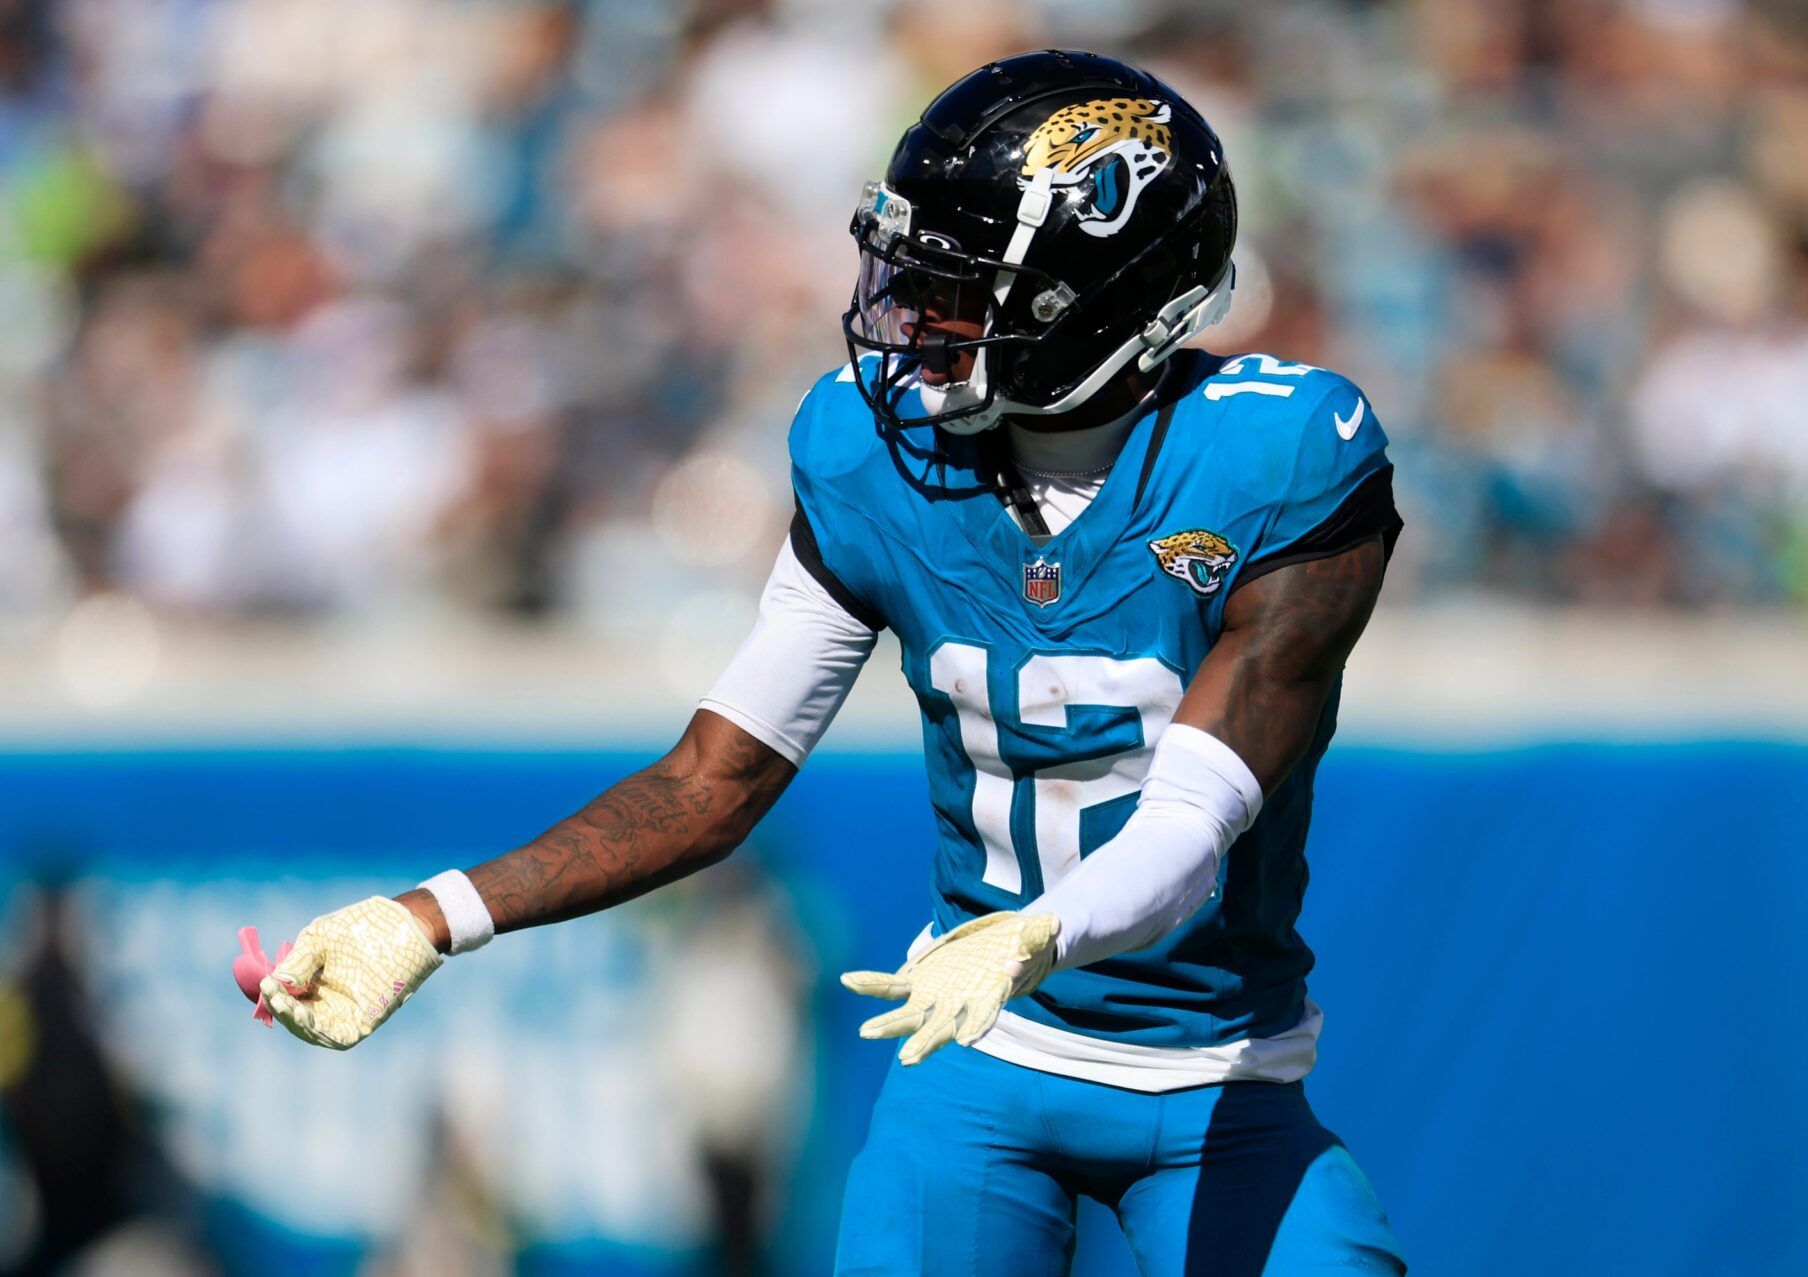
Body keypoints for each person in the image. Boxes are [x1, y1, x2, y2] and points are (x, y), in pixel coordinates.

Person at [254, 50, 1408, 1275]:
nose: (910, 318)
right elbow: (711, 781)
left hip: (1218, 1082)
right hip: (984, 1063)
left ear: (1098, 295)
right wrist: (429, 915)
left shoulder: (1282, 453)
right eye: (912, 274)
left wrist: (1033, 932)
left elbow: (1194, 822)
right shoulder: (872, 452)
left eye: (960, 289)